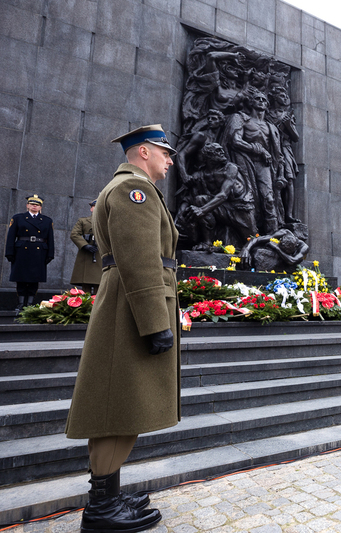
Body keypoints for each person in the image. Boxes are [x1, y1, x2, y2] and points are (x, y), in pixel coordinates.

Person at [65, 125, 180, 532]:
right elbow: (139, 259)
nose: (170, 160)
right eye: (165, 152)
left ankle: (109, 496)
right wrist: (155, 323)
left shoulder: (126, 188)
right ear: (143, 152)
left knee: (121, 404)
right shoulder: (136, 190)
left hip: (125, 305)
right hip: (132, 310)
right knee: (119, 409)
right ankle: (101, 510)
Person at [4, 194, 55, 311]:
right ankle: (21, 304)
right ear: (27, 205)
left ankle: (30, 304)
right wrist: (9, 253)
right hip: (21, 251)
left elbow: (51, 239)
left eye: (37, 205)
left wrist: (50, 254)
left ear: (41, 207)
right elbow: (11, 237)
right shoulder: (18, 218)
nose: (34, 207)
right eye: (32, 204)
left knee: (34, 279)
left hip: (39, 252)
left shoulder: (47, 221)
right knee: (21, 279)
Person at [69, 200, 103, 294]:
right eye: (95, 206)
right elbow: (75, 234)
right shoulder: (83, 221)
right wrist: (85, 245)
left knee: (99, 287)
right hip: (86, 255)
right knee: (85, 288)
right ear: (91, 209)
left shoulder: (107, 221)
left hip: (100, 254)